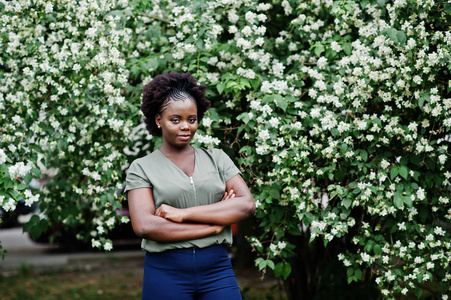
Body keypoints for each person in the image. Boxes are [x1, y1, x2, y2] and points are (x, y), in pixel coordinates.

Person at [124, 72, 256, 300]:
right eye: (175, 120)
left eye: (191, 119)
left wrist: (181, 215)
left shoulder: (218, 159)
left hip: (217, 270)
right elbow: (145, 225)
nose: (185, 127)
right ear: (159, 120)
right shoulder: (141, 167)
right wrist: (213, 227)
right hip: (166, 272)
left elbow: (246, 205)